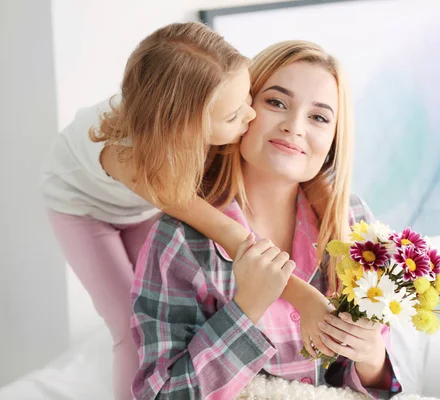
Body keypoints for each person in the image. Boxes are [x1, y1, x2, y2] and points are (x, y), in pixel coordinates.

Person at [40, 22, 329, 399]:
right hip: (82, 208)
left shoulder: (191, 113)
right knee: (128, 326)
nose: (251, 116)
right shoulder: (133, 158)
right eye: (233, 117)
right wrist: (305, 298)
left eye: (248, 98)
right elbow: (232, 235)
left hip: (142, 205)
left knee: (156, 310)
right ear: (188, 128)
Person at [131, 40, 401, 400]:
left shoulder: (354, 223)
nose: (294, 126)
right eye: (276, 103)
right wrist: (247, 309)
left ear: (334, 140)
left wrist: (370, 356)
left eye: (319, 117)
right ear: (240, 110)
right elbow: (161, 396)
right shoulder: (181, 238)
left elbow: (373, 388)